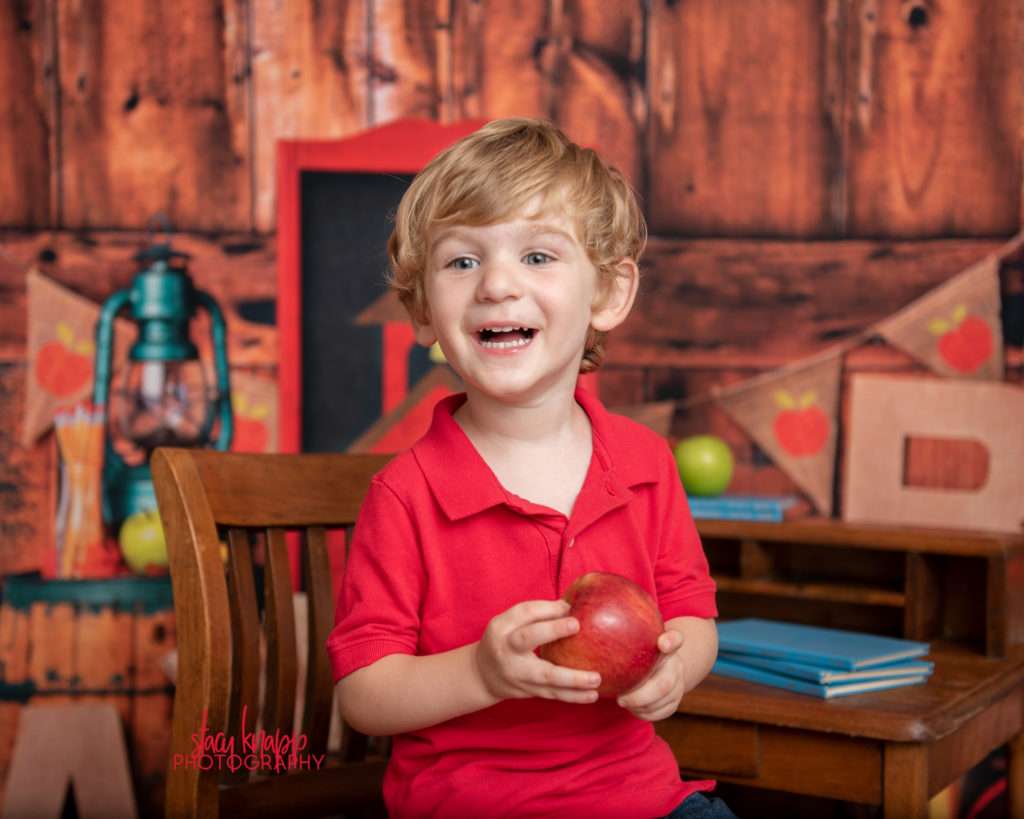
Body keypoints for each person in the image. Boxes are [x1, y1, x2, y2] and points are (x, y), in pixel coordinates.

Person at [327, 118, 735, 819]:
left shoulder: (644, 464)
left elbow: (693, 614)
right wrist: (482, 672)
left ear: (607, 294)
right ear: (423, 311)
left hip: (642, 800)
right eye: (462, 261)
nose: (497, 285)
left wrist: (677, 667)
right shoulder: (405, 494)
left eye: (539, 256)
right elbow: (364, 693)